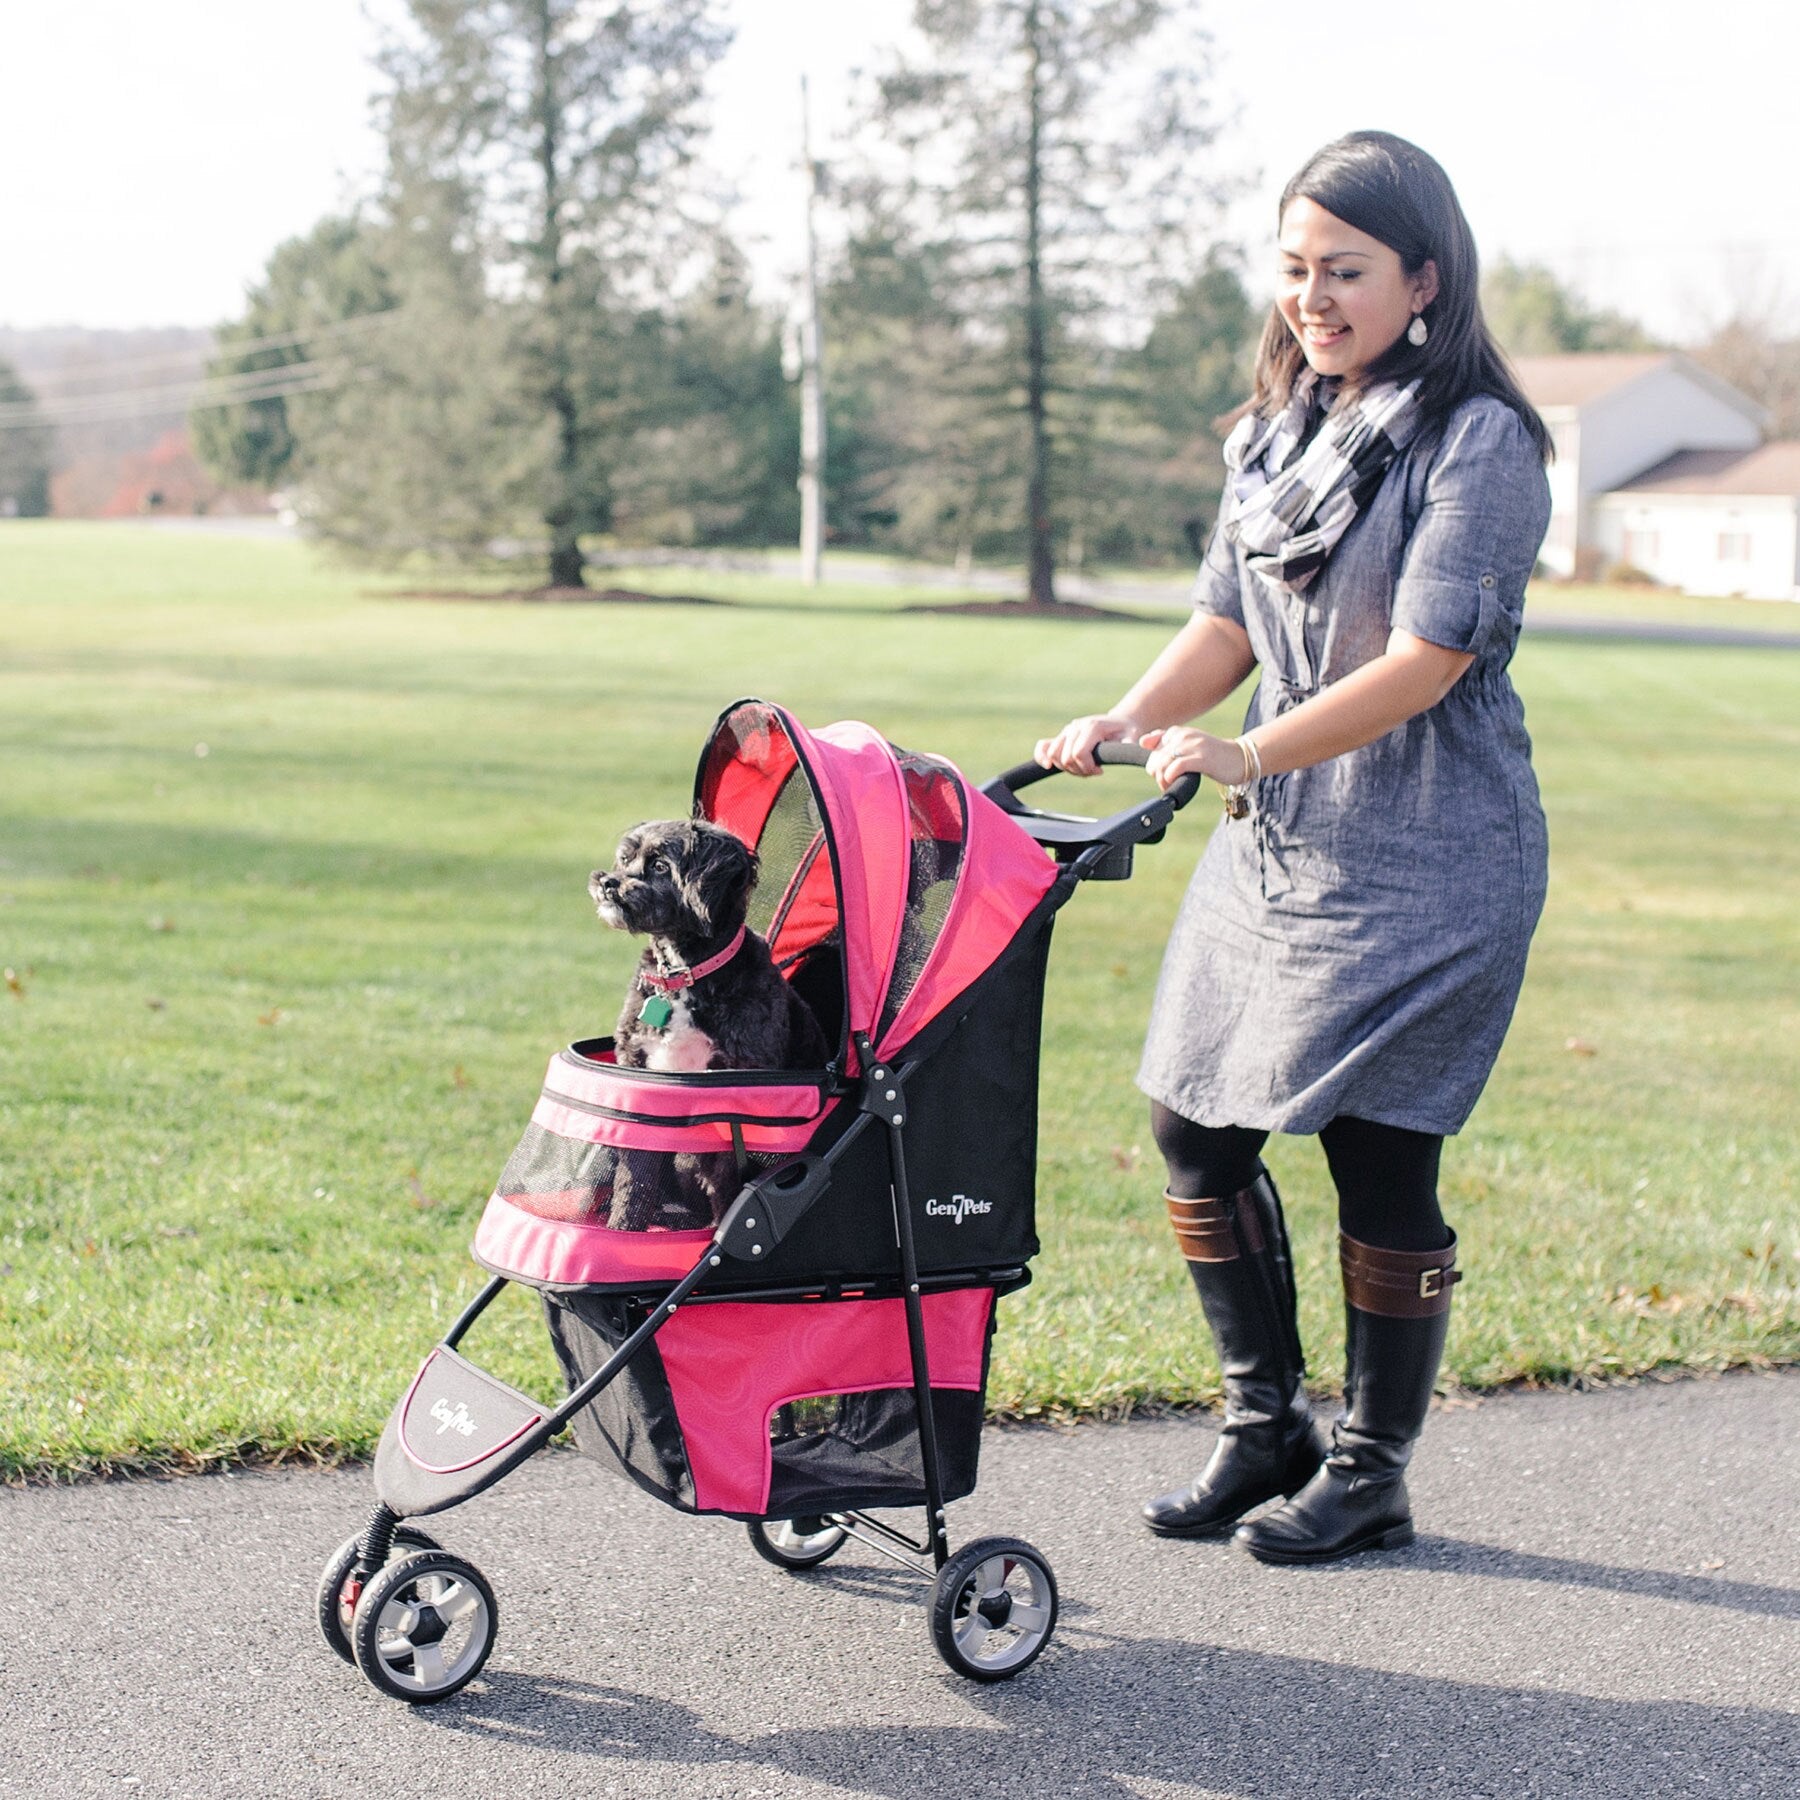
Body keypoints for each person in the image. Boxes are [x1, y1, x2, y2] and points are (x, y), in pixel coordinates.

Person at [1036, 131, 1553, 1565]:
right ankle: (1268, 1426)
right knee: (1193, 1125)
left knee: (1383, 1158)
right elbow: (1226, 624)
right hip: (1284, 848)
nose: (1313, 298)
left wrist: (1251, 749)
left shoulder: (1479, 442)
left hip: (1434, 852)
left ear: (1424, 280)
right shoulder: (1277, 431)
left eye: (1346, 271)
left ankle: (1375, 1468)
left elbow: (1431, 655)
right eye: (1295, 269)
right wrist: (1126, 719)